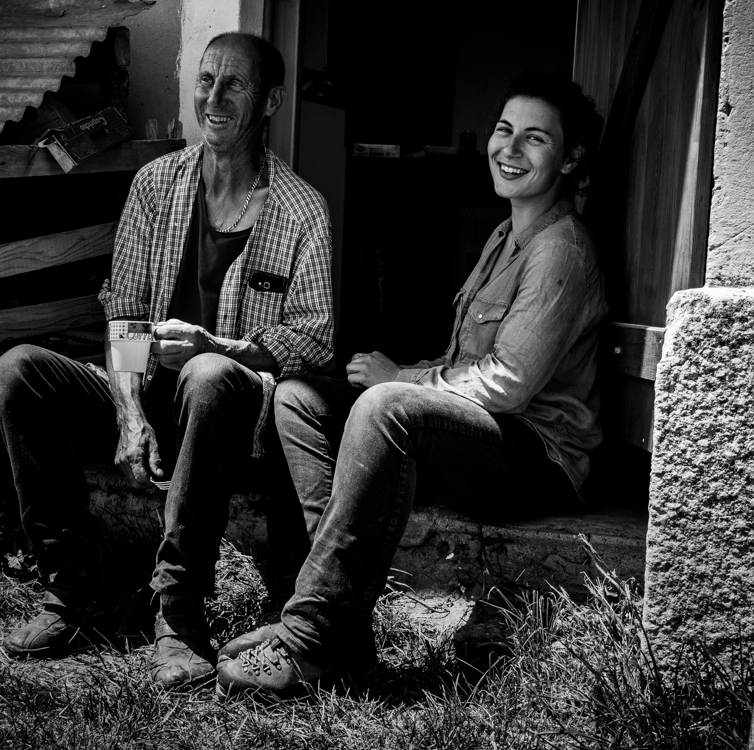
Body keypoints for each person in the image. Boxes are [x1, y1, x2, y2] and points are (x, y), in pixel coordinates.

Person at [216, 70, 607, 696]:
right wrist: (410, 378)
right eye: (504, 130)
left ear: (570, 157)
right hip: (485, 431)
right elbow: (465, 361)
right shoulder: (506, 234)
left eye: (534, 139)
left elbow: (507, 385)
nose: (509, 149)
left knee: (386, 406)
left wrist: (404, 379)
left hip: (538, 454)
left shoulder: (560, 250)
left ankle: (313, 634)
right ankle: (333, 621)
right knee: (297, 398)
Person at [0, 32, 334, 688]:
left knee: (209, 374)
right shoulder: (157, 185)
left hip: (227, 415)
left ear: (272, 101)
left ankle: (178, 614)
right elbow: (124, 314)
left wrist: (219, 347)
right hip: (148, 397)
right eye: (205, 80)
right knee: (18, 370)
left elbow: (314, 339)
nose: (214, 97)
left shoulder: (302, 210)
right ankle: (71, 586)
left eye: (234, 84)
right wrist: (128, 414)